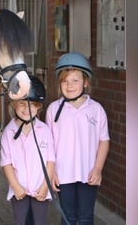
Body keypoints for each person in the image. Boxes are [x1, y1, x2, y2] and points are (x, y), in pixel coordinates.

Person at [45, 52, 110, 225]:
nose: (70, 85)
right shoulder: (53, 109)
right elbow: (48, 144)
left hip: (88, 174)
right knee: (68, 217)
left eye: (75, 80)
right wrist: (52, 172)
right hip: (63, 174)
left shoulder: (96, 110)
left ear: (85, 82)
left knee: (86, 217)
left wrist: (98, 168)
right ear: (60, 84)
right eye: (65, 81)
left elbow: (104, 140)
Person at [0, 75, 55, 225]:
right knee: (21, 222)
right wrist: (16, 186)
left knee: (38, 222)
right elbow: (6, 163)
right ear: (13, 104)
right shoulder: (8, 132)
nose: (26, 109)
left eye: (32, 104)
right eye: (22, 103)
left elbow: (51, 161)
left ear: (39, 106)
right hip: (19, 190)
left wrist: (45, 187)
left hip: (40, 189)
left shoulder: (44, 130)